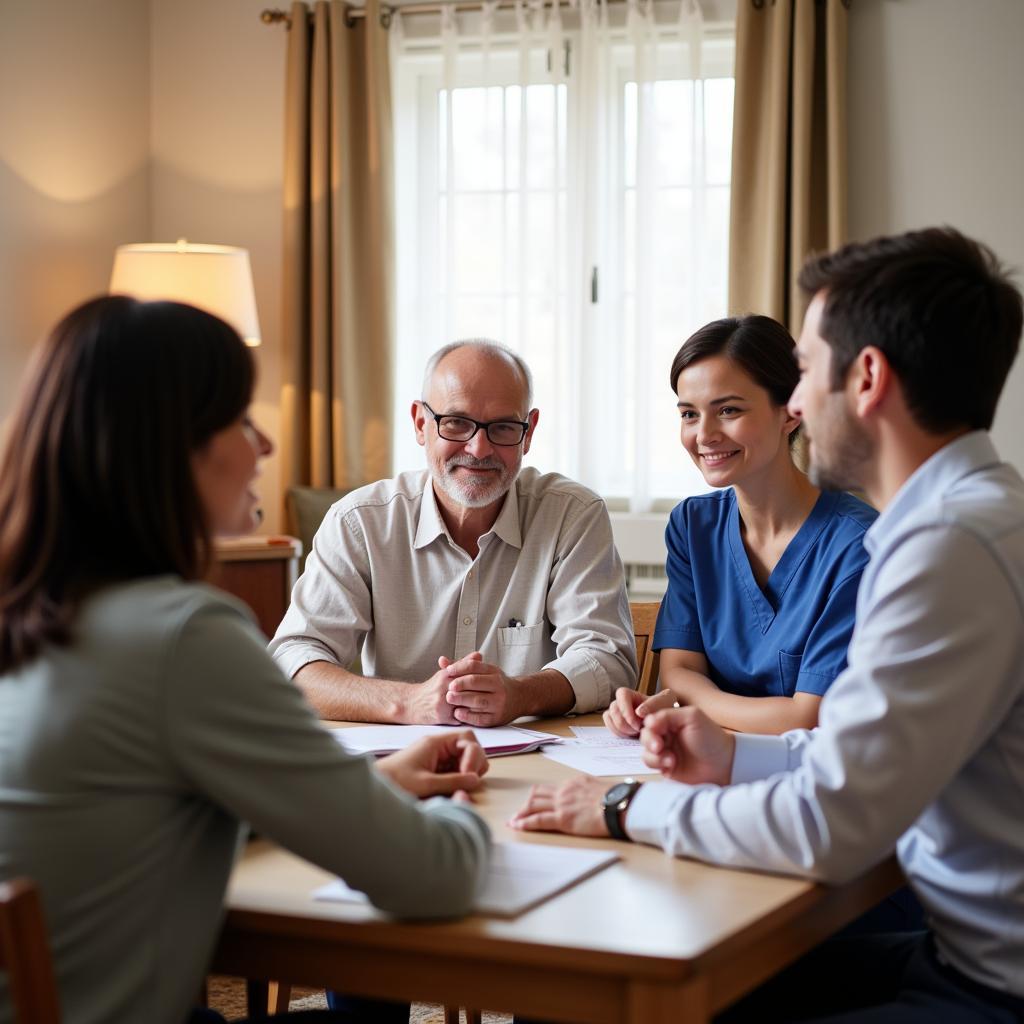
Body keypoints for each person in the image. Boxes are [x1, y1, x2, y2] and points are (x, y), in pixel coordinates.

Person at [511, 226, 1024, 1022]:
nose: (798, 403)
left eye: (806, 373)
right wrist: (738, 754)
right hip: (961, 950)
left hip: (992, 985)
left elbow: (831, 822)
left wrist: (620, 808)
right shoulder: (976, 518)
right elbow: (854, 752)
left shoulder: (943, 549)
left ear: (868, 378)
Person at [0, 296, 492, 1024]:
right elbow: (435, 878)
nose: (264, 447)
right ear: (171, 445)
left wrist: (374, 782)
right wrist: (474, 821)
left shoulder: (35, 612)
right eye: (240, 420)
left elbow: (145, 802)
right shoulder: (183, 636)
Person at [270, 340, 637, 726]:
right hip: (398, 764)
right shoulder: (359, 522)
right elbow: (295, 660)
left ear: (528, 433)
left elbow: (607, 658)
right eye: (457, 423)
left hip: (542, 764)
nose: (479, 449)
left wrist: (520, 694)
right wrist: (408, 702)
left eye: (503, 427)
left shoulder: (571, 516)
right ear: (420, 424)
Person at [604, 316, 875, 739]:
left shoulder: (857, 544)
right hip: (704, 761)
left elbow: (810, 717)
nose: (705, 435)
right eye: (689, 414)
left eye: (728, 410)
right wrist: (686, 701)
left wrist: (696, 706)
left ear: (789, 413)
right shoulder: (693, 526)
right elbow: (677, 673)